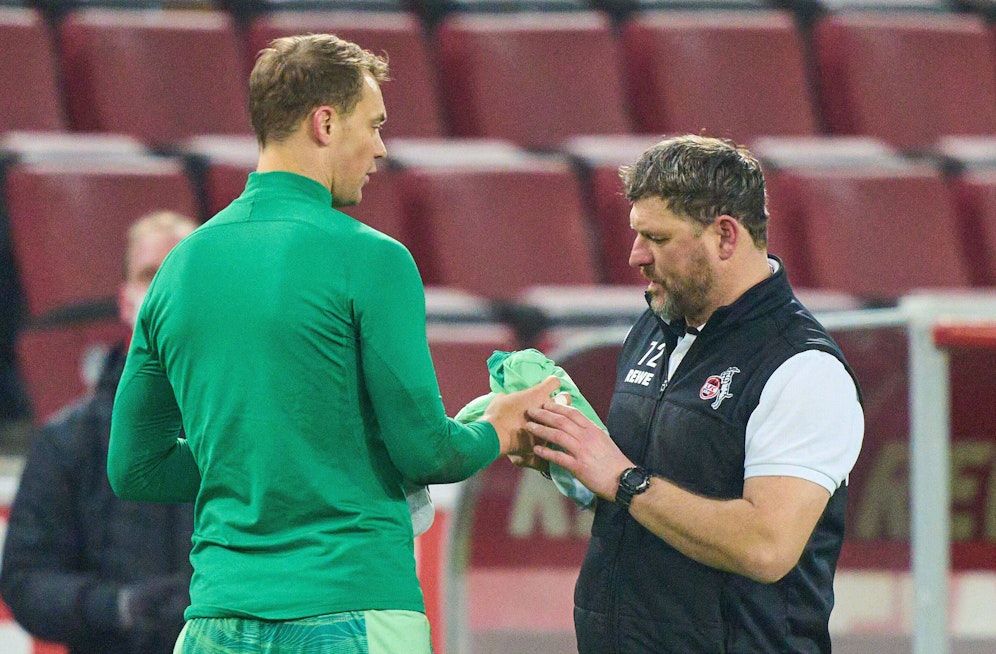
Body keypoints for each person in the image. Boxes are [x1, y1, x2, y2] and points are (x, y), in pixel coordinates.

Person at [108, 33, 559, 653]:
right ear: (324, 124)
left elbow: (135, 467)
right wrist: (499, 429)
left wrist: (257, 453)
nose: (380, 148)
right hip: (353, 605)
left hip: (215, 620)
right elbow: (429, 452)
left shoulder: (177, 269)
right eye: (373, 125)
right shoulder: (372, 259)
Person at [523, 135, 864, 653]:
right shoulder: (654, 327)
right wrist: (569, 463)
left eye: (657, 238)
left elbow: (767, 545)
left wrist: (624, 481)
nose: (635, 256)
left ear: (725, 236)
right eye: (636, 234)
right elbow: (641, 496)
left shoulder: (803, 368)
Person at [0, 210, 198, 654]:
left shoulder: (248, 431)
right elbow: (24, 581)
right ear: (125, 300)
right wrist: (118, 607)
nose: (165, 289)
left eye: (181, 274)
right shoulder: (67, 440)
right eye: (149, 274)